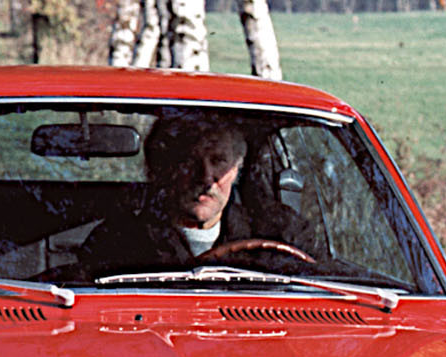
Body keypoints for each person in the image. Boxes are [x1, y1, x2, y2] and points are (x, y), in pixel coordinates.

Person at [76, 113, 323, 278]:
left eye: (219, 161)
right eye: (189, 161)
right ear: (164, 169)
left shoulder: (283, 232)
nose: (205, 178)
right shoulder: (115, 242)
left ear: (236, 170)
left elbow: (330, 284)